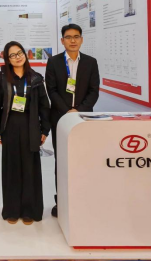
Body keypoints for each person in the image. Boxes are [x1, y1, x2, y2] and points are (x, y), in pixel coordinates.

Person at [0, 41, 50, 225]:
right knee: (12, 168)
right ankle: (12, 209)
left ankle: (29, 210)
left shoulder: (36, 78)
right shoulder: (2, 77)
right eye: (12, 55)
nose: (17, 57)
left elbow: (44, 106)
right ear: (7, 59)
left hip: (30, 126)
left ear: (25, 54)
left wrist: (44, 129)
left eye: (20, 53)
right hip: (9, 126)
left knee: (30, 168)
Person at [45, 23, 100, 218]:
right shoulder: (54, 62)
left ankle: (80, 199)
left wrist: (78, 110)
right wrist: (67, 111)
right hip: (60, 118)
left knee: (81, 158)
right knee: (61, 160)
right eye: (68, 37)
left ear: (82, 39)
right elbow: (51, 90)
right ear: (62, 41)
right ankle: (61, 201)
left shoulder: (91, 62)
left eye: (76, 36)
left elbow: (94, 91)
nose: (73, 40)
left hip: (84, 119)